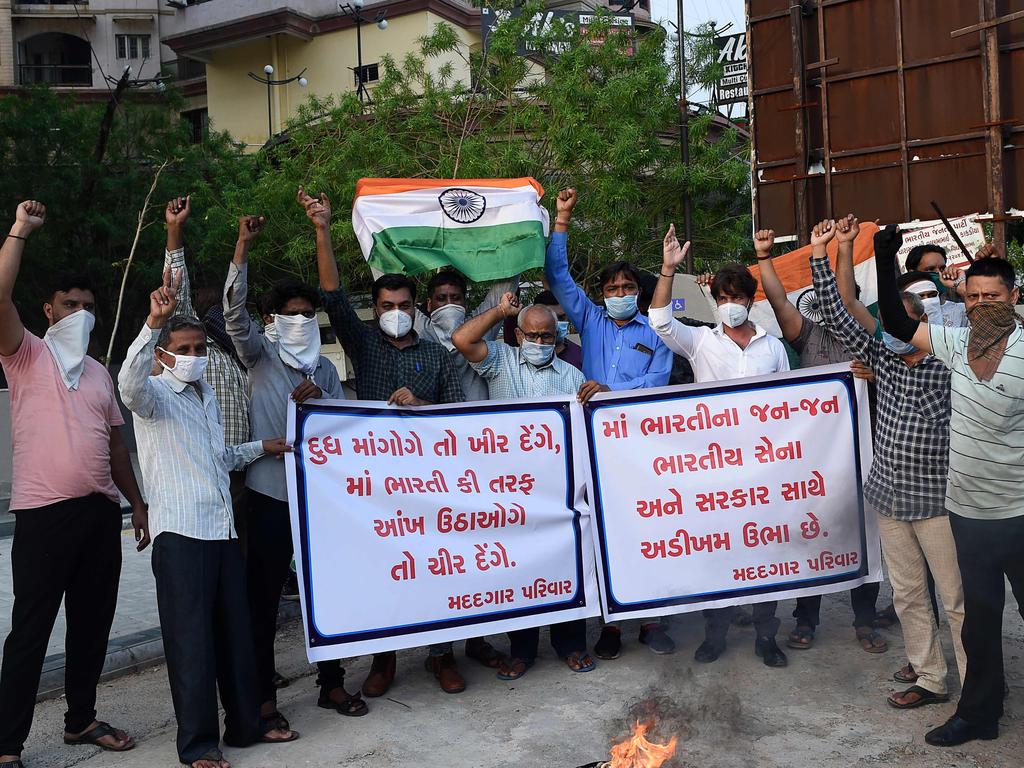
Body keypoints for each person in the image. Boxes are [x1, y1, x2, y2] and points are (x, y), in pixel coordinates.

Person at [118, 267, 298, 768]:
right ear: (163, 355)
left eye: (200, 349)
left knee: (235, 637)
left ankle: (246, 725)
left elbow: (217, 458)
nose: (195, 357)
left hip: (220, 532)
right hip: (181, 536)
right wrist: (152, 324)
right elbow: (127, 385)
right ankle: (198, 745)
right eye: (185, 349)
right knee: (191, 646)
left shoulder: (205, 398)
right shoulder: (152, 398)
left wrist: (262, 447)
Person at [0, 201, 146, 767]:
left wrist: (136, 503)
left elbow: (114, 446)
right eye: (69, 305)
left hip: (98, 514)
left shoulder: (99, 373)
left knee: (93, 624)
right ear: (48, 310)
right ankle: (7, 745)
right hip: (42, 516)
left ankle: (80, 720)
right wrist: (20, 231)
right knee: (30, 632)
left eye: (87, 306)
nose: (79, 313)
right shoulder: (24, 355)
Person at [306, 190, 468, 696]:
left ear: (415, 308)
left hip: (431, 482)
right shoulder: (364, 343)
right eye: (385, 306)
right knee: (387, 570)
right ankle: (385, 659)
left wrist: (423, 411)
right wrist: (322, 229)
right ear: (375, 310)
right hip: (377, 485)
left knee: (437, 569)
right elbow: (331, 295)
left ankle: (442, 655)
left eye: (402, 306)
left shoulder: (439, 356)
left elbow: (461, 419)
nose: (394, 312)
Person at [873, 225, 1024, 747]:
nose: (984, 305)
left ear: (1014, 297)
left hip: (1019, 513)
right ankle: (978, 715)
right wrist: (882, 255)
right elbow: (894, 320)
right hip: (967, 514)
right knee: (979, 624)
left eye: (994, 297)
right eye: (975, 296)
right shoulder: (955, 343)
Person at [809, 219, 965, 711]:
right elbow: (837, 310)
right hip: (891, 498)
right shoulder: (883, 354)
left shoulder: (952, 365)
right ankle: (930, 677)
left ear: (923, 327)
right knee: (909, 596)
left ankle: (978, 685)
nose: (896, 330)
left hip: (939, 501)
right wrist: (831, 249)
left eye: (906, 321)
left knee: (957, 603)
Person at [222, 196, 367, 726]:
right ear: (271, 321)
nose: (302, 322)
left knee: (326, 595)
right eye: (291, 316)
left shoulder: (326, 373)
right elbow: (232, 314)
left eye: (309, 315)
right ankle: (263, 696)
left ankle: (332, 684)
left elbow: (346, 430)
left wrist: (323, 404)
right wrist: (243, 247)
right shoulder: (258, 356)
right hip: (266, 497)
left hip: (317, 501)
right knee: (261, 602)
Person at [649, 224, 790, 668]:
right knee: (720, 551)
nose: (731, 305)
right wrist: (668, 270)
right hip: (715, 469)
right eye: (723, 298)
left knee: (767, 551)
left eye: (738, 297)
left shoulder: (774, 347)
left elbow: (792, 404)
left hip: (765, 469)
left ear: (752, 300)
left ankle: (767, 635)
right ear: (715, 300)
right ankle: (715, 632)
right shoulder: (700, 342)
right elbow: (659, 321)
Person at [545, 187, 675, 658]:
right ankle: (612, 623)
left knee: (650, 529)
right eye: (611, 288)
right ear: (602, 294)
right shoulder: (591, 320)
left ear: (639, 293)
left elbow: (658, 382)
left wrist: (612, 392)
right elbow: (557, 276)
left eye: (627, 288)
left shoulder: (656, 332)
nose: (619, 294)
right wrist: (562, 218)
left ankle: (652, 620)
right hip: (595, 445)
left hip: (643, 445)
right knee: (604, 532)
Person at [753, 218, 886, 655]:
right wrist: (764, 258)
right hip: (812, 462)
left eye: (843, 302)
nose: (835, 308)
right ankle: (806, 618)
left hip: (865, 453)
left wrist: (844, 247)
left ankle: (864, 621)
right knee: (814, 537)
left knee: (864, 534)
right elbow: (775, 300)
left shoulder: (867, 338)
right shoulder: (804, 335)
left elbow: (846, 295)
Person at [452, 292, 597, 679]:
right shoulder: (500, 362)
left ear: (558, 338)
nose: (539, 343)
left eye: (547, 336)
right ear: (518, 336)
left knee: (567, 565)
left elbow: (588, 428)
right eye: (532, 335)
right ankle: (522, 650)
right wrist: (500, 310)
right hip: (509, 491)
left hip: (559, 488)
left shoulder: (573, 376)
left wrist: (601, 398)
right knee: (519, 568)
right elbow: (462, 340)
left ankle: (571, 645)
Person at [162, 197, 252, 543]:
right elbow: (174, 292)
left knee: (239, 559)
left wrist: (243, 245)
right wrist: (175, 229)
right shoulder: (193, 354)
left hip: (241, 472)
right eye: (211, 308)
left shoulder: (239, 355)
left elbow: (237, 297)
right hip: (201, 474)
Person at [416, 265, 519, 403]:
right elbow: (393, 295)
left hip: (478, 421)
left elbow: (508, 279)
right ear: (429, 304)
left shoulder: (481, 327)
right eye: (441, 298)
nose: (449, 305)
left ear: (464, 302)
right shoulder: (420, 330)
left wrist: (517, 248)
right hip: (435, 422)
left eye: (455, 298)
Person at [504, 289, 584, 370]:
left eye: (561, 317)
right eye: (550, 319)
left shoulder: (581, 357)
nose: (555, 324)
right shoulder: (516, 354)